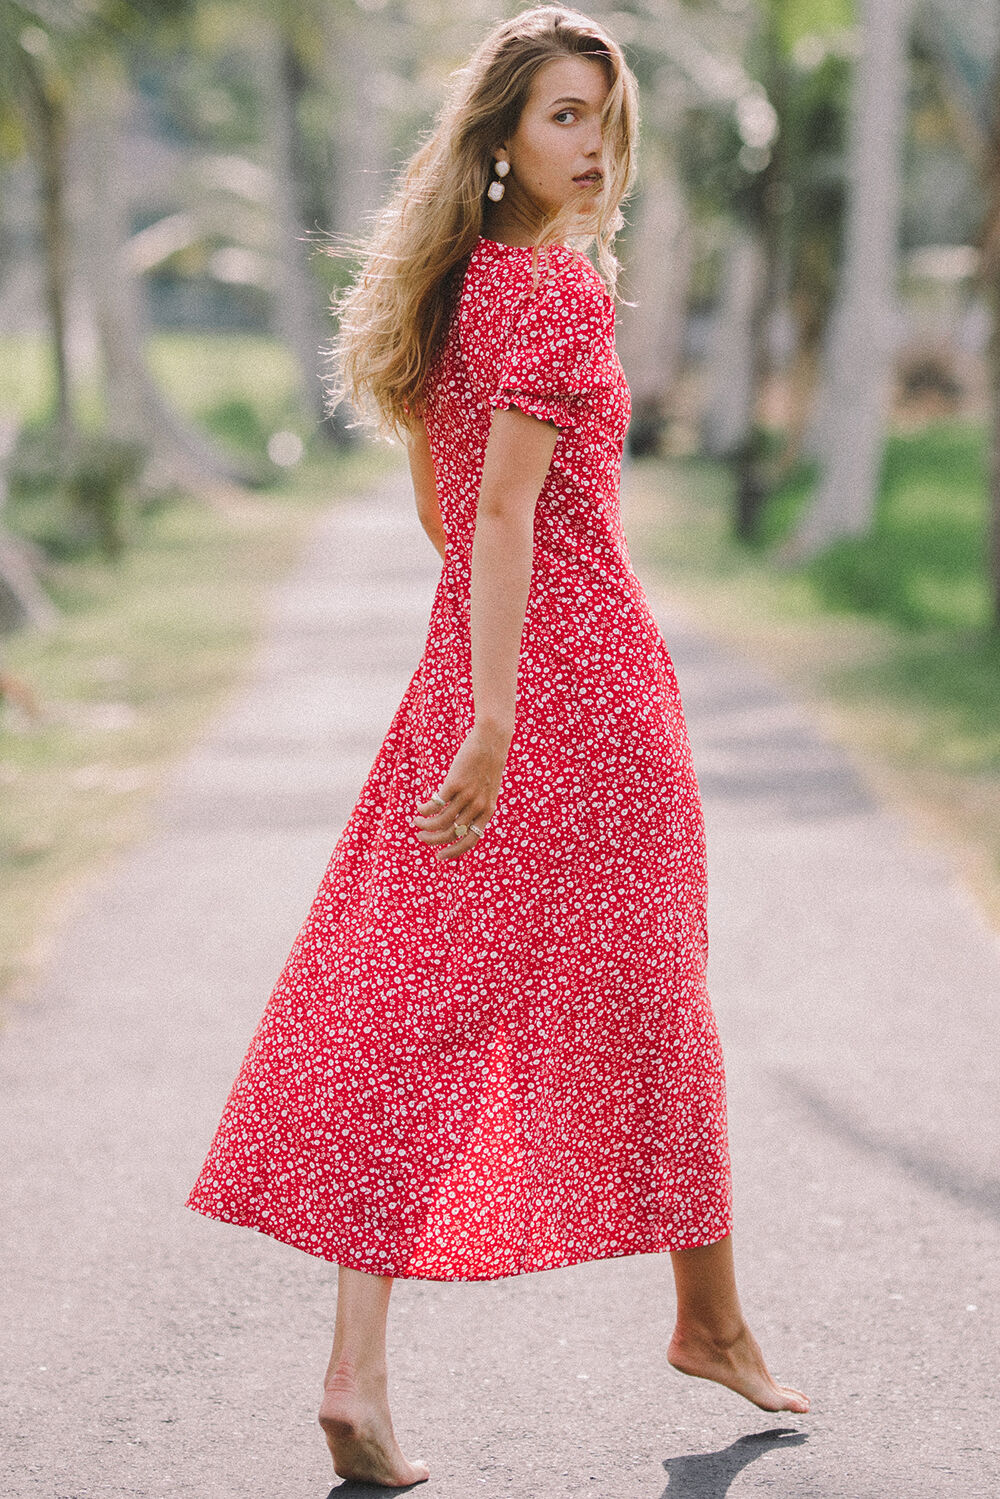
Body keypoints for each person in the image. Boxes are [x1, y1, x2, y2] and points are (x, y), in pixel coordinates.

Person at [185, 5, 809, 1487]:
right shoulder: (559, 296)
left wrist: (472, 686)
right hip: (570, 693)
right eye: (562, 120)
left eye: (603, 117)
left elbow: (446, 520)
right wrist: (501, 715)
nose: (591, 148)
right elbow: (511, 515)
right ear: (501, 142)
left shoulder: (448, 296)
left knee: (417, 1003)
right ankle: (708, 1323)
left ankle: (359, 1370)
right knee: (656, 992)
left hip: (466, 675)